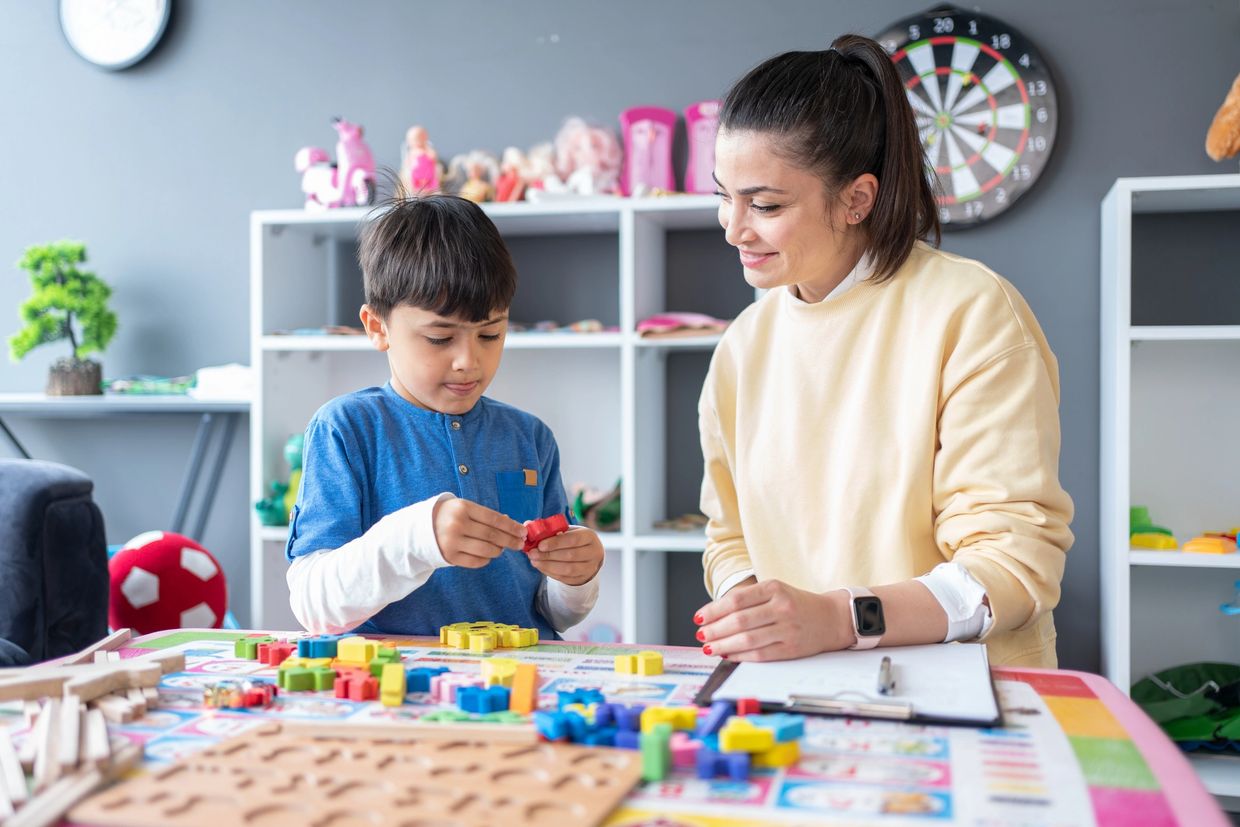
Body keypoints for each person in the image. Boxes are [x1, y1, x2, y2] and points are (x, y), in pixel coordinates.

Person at [694, 35, 1074, 668]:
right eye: (722, 197)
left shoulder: (970, 310)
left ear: (856, 199)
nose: (734, 228)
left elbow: (1012, 566)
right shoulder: (743, 346)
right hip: (805, 687)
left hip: (971, 694)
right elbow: (729, 537)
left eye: (764, 204)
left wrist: (839, 620)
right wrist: (756, 613)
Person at [286, 195, 605, 637]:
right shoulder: (346, 429)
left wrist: (577, 578)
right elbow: (313, 604)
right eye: (439, 338)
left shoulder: (529, 437)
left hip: (519, 682)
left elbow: (551, 613)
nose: (468, 361)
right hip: (398, 691)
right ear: (377, 327)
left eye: (490, 333)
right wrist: (418, 538)